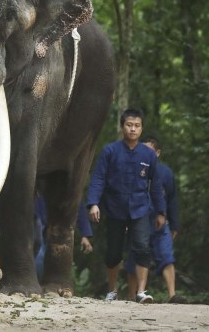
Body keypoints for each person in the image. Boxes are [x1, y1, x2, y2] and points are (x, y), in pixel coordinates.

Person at [86, 108, 166, 304]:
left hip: (140, 207)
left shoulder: (148, 155)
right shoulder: (110, 151)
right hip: (115, 206)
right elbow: (98, 178)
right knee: (113, 251)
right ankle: (112, 290)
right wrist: (93, 203)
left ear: (141, 128)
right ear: (122, 127)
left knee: (142, 248)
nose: (133, 129)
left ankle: (141, 291)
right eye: (129, 125)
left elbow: (155, 184)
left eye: (137, 126)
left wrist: (161, 212)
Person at [123, 135, 185, 303]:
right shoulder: (133, 170)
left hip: (160, 223)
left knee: (166, 256)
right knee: (134, 258)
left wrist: (174, 225)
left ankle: (172, 294)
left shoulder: (165, 173)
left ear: (157, 153)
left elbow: (171, 199)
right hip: (137, 220)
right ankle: (131, 295)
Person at [34, 194, 93, 278]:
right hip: (34, 220)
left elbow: (76, 199)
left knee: (50, 260)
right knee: (38, 257)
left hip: (55, 225)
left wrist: (85, 234)